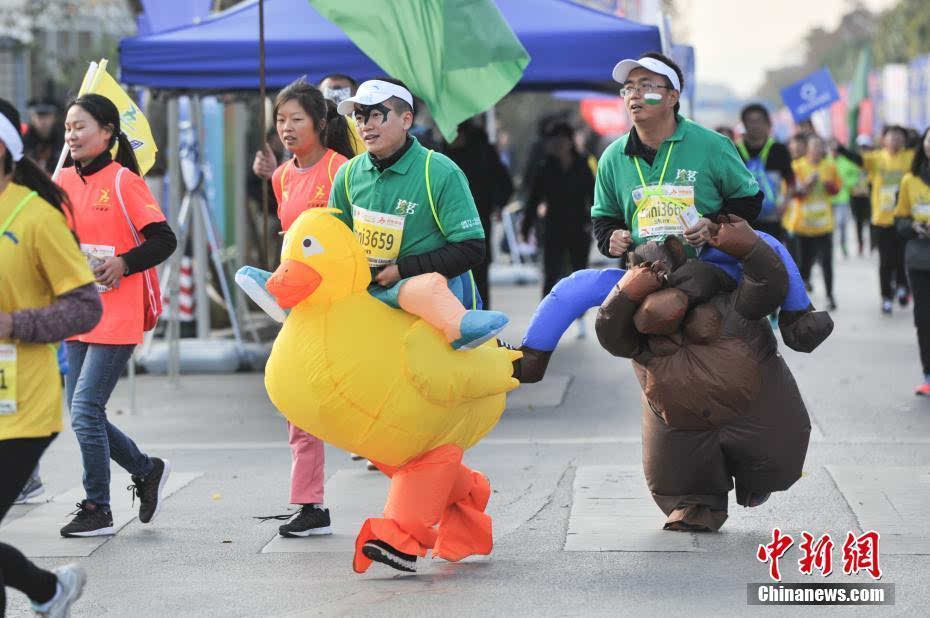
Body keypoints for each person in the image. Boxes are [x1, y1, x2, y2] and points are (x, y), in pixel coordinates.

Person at [516, 52, 832, 385]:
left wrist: (713, 224)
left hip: (712, 261)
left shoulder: (711, 144)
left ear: (672, 96)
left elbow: (750, 199)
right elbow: (604, 218)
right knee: (571, 288)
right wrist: (612, 237)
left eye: (647, 86)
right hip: (646, 272)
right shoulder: (612, 157)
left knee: (769, 244)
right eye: (628, 88)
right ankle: (530, 359)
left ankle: (798, 318)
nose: (634, 95)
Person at [327, 77, 509, 571]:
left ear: (407, 119)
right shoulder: (348, 177)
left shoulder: (438, 171)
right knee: (381, 431)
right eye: (358, 115)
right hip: (375, 322)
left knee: (419, 435)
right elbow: (338, 243)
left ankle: (402, 538)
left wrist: (402, 269)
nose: (365, 124)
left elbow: (472, 247)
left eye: (377, 113)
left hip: (434, 323)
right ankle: (467, 492)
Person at [56, 94, 177, 537]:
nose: (71, 134)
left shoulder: (124, 181)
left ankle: (97, 507)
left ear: (107, 132)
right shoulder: (62, 182)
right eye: (68, 127)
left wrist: (124, 262)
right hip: (77, 312)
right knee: (83, 411)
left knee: (86, 410)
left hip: (119, 313)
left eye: (80, 126)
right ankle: (145, 469)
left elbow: (165, 240)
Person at [0, 96, 101, 616]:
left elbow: (86, 308)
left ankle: (49, 590)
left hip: (22, 409)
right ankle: (48, 591)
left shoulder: (35, 216)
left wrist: (14, 324)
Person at [248, 78, 353, 537]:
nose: (286, 128)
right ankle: (311, 504)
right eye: (280, 120)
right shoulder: (282, 175)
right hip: (299, 308)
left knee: (360, 399)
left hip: (345, 306)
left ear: (320, 122)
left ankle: (417, 485)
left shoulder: (343, 171)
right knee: (296, 400)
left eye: (296, 119)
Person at [835, 126, 915, 313]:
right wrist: (840, 148)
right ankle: (886, 297)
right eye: (891, 136)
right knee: (886, 261)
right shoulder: (876, 158)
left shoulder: (909, 157)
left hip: (905, 218)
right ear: (883, 140)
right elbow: (857, 159)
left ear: (903, 140)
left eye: (899, 137)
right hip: (882, 219)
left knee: (903, 257)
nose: (895, 140)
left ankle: (903, 287)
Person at [443, 118, 513, 309]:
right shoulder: (441, 153)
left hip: (477, 219)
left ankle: (480, 316)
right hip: (447, 223)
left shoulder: (483, 152)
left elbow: (504, 183)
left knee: (478, 271)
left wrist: (497, 204)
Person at [521, 121, 595, 298]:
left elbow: (594, 197)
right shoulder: (544, 167)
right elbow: (533, 199)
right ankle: (547, 307)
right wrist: (526, 227)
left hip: (579, 225)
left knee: (579, 270)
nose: (556, 145)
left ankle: (579, 305)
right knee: (551, 271)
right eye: (552, 142)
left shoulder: (582, 164)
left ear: (569, 142)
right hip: (553, 225)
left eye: (560, 141)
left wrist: (598, 223)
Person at [893, 127, 930, 395]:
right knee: (924, 319)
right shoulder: (909, 180)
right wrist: (915, 227)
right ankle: (928, 374)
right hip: (920, 259)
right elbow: (900, 220)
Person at [784, 135, 840, 310]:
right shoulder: (797, 167)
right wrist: (806, 184)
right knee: (803, 265)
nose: (817, 150)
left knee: (827, 262)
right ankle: (801, 299)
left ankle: (830, 295)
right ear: (807, 148)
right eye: (813, 146)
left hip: (824, 224)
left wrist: (829, 185)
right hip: (802, 225)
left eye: (820, 146)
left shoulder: (829, 166)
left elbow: (837, 190)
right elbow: (792, 193)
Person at [736, 103, 795, 242]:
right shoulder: (734, 150)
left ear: (767, 123)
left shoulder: (779, 149)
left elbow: (791, 180)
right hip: (744, 219)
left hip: (773, 218)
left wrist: (785, 204)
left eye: (759, 121)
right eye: (750, 121)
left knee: (773, 257)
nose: (755, 125)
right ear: (744, 124)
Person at [22, 98, 65, 176]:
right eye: (39, 117)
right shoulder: (24, 141)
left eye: (47, 116)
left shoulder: (64, 140)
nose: (43, 122)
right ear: (32, 118)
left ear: (54, 118)